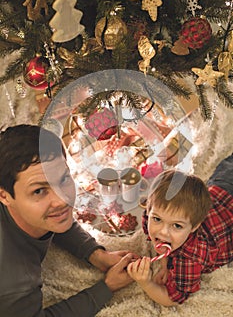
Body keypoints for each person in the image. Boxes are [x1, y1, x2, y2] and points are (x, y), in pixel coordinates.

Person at [0, 124, 138, 317]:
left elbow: (59, 220)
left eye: (63, 179)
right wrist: (107, 287)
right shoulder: (14, 284)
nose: (61, 200)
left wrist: (95, 254)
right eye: (39, 191)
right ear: (4, 196)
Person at [127, 166, 233, 306]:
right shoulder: (150, 217)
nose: (163, 232)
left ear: (194, 227)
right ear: (148, 209)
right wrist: (165, 266)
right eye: (157, 219)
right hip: (221, 187)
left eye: (177, 226)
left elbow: (173, 300)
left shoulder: (190, 259)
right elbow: (161, 243)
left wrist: (145, 283)